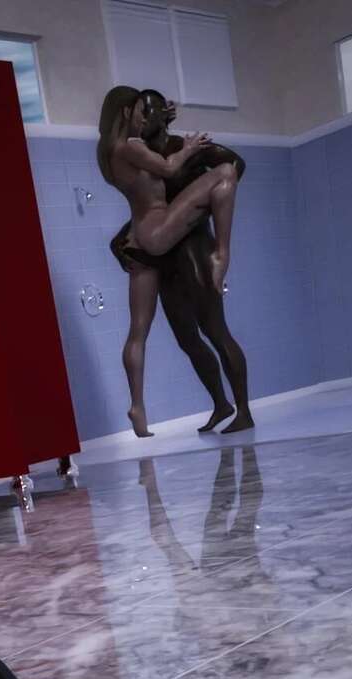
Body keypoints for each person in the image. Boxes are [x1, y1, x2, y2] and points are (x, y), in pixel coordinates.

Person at [99, 88, 254, 438]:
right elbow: (160, 191)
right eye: (142, 110)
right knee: (187, 338)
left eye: (151, 110)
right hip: (163, 247)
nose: (146, 116)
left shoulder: (159, 147)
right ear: (129, 114)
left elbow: (234, 166)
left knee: (209, 331)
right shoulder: (139, 150)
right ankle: (221, 403)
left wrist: (199, 211)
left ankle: (239, 409)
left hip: (182, 246)